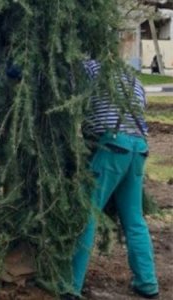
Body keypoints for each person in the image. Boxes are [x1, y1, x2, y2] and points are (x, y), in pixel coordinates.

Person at [67, 60, 159, 299]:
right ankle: (147, 283)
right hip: (138, 149)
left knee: (88, 214)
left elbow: (67, 93)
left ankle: (71, 286)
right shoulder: (134, 80)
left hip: (112, 147)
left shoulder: (90, 68)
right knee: (134, 219)